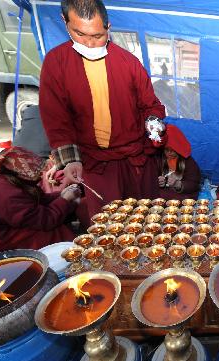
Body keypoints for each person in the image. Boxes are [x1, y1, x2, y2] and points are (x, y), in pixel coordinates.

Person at [39, 0, 166, 228]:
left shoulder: (128, 62)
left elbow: (151, 105)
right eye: (80, 34)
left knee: (148, 220)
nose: (89, 43)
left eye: (97, 35)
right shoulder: (56, 63)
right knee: (109, 225)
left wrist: (153, 122)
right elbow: (56, 118)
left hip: (135, 159)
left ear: (108, 27)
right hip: (95, 164)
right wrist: (70, 161)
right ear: (64, 22)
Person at [0, 147, 81, 255]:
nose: (40, 176)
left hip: (3, 223)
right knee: (48, 233)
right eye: (37, 174)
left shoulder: (10, 180)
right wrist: (64, 200)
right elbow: (46, 220)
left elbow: (38, 200)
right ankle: (73, 254)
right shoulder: (8, 196)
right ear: (20, 175)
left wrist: (60, 195)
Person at [156, 124, 201, 200]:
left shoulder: (188, 161)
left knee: (182, 200)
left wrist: (178, 184)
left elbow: (195, 184)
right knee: (157, 195)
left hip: (182, 194)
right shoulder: (160, 159)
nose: (169, 153)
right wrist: (160, 183)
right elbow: (153, 178)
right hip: (166, 192)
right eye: (167, 150)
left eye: (172, 151)